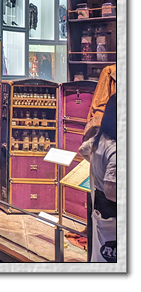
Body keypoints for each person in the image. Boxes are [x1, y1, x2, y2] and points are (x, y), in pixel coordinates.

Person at [79, 94, 116, 263]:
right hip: (113, 212)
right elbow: (111, 191)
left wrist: (97, 165)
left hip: (100, 206)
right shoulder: (115, 147)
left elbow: (83, 149)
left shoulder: (101, 138)